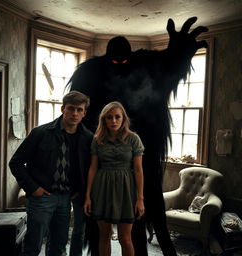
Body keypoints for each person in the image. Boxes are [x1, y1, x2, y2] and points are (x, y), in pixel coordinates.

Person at [67, 17, 209, 256]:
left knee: (141, 218)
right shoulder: (91, 72)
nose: (121, 65)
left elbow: (170, 66)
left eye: (124, 61)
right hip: (103, 159)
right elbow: (77, 113)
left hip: (146, 152)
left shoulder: (146, 63)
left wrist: (181, 50)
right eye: (115, 61)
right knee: (99, 227)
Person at [9, 91, 93, 256]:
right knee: (33, 245)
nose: (75, 113)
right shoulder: (41, 133)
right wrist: (33, 188)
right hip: (41, 197)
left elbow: (88, 168)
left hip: (66, 198)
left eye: (79, 110)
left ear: (84, 113)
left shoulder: (88, 138)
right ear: (63, 109)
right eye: (71, 108)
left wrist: (79, 190)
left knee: (58, 247)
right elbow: (15, 162)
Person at [84, 101, 145, 256]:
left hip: (125, 189)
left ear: (123, 119)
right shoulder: (98, 139)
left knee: (125, 239)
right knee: (104, 236)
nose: (113, 121)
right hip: (102, 188)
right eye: (109, 118)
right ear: (104, 120)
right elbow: (93, 168)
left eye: (117, 117)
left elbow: (138, 169)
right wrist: (88, 196)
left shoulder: (133, 139)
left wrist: (140, 198)